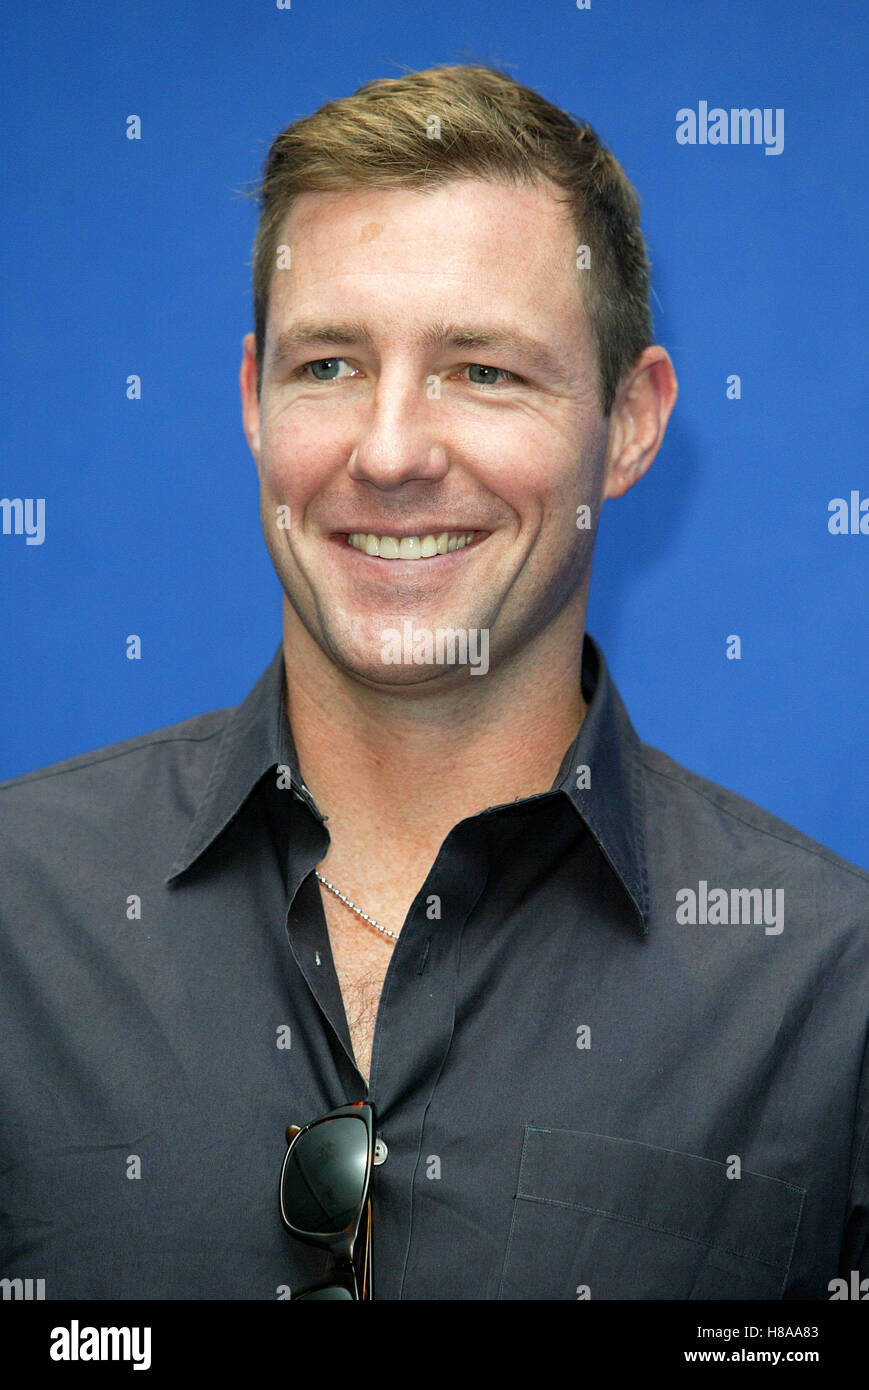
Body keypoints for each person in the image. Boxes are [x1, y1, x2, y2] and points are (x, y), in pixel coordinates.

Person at [1, 63, 866, 1302]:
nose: (391, 450)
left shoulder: (831, 993)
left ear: (628, 423)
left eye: (483, 370)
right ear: (253, 401)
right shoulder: (16, 915)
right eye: (330, 366)